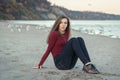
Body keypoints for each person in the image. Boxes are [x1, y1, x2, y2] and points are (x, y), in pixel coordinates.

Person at [33, 15, 100, 74]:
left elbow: (69, 50)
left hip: (70, 64)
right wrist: (40, 64)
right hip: (60, 64)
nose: (63, 25)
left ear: (67, 25)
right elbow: (48, 50)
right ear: (58, 24)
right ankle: (88, 65)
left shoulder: (66, 33)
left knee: (80, 39)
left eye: (65, 23)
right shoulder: (54, 34)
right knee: (73, 40)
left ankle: (88, 65)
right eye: (61, 23)